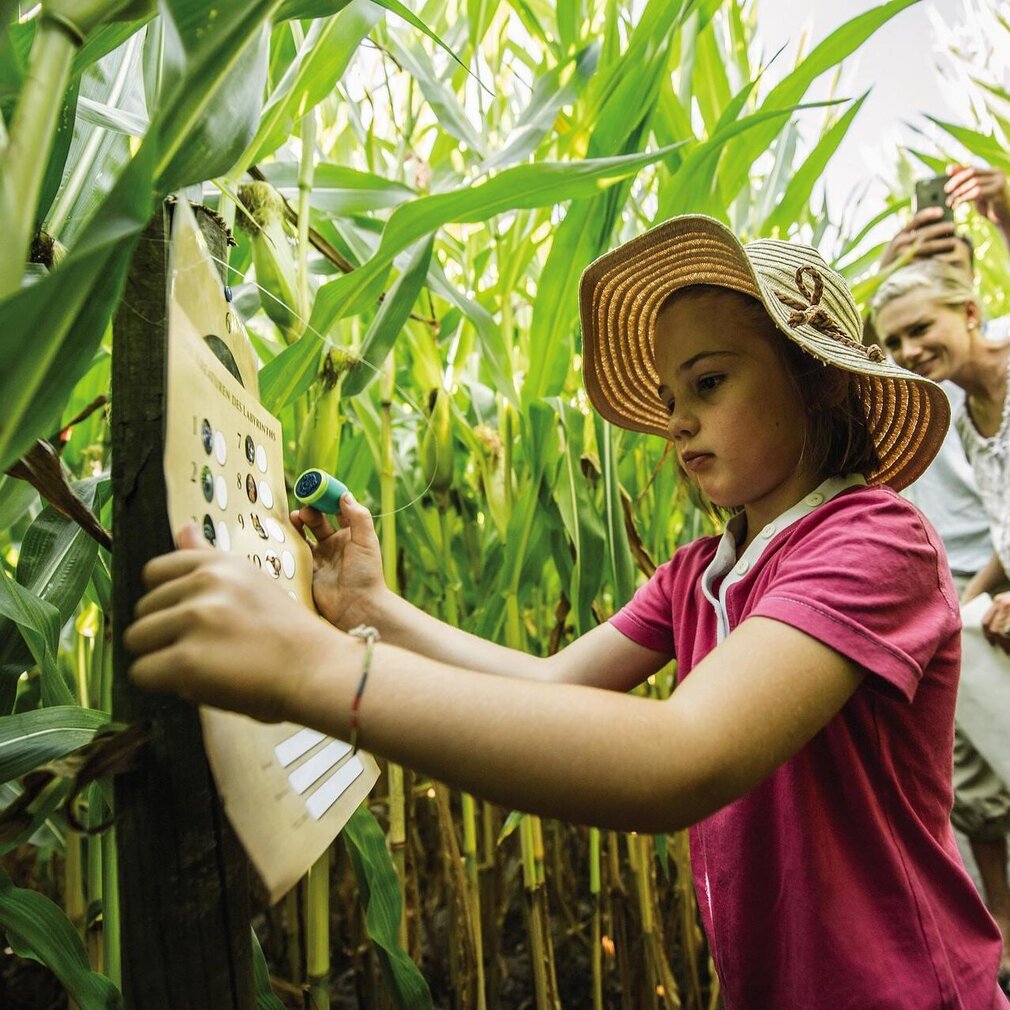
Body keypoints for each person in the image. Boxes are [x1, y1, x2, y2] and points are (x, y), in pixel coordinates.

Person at [126, 216, 1010, 1009]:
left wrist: (315, 672)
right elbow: (549, 683)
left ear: (817, 385)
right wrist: (374, 609)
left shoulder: (873, 541)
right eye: (668, 399)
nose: (676, 423)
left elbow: (684, 758)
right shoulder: (698, 572)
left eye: (707, 384)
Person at [874, 164, 1010, 993]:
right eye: (893, 340)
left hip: (974, 603)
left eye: (921, 326)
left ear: (969, 305)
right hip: (958, 602)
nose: (907, 351)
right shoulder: (936, 401)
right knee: (972, 801)